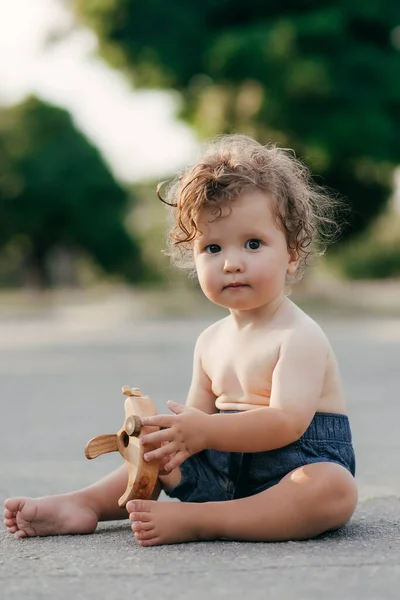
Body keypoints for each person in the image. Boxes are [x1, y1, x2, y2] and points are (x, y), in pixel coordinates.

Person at [3, 134, 357, 546]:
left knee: (332, 487)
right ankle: (86, 503)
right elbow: (191, 428)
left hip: (291, 470)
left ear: (292, 253)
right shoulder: (210, 341)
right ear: (193, 257)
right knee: (156, 454)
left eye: (253, 244)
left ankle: (203, 521)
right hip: (221, 475)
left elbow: (286, 423)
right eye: (212, 247)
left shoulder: (298, 335)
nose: (231, 262)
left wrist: (204, 433)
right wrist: (169, 435)